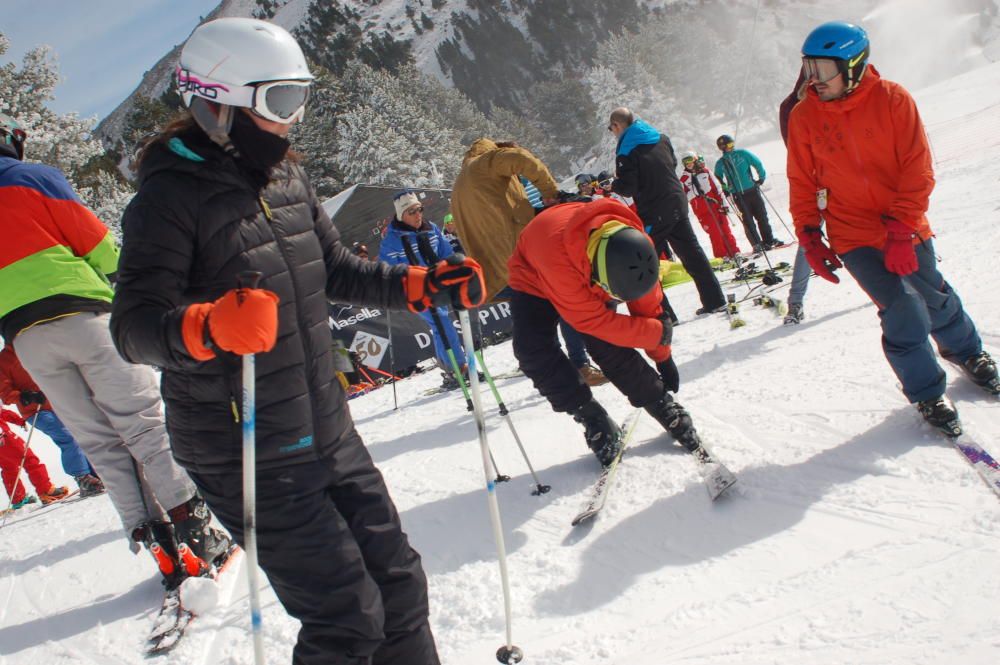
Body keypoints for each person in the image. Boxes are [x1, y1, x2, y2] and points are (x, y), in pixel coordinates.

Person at [109, 18, 475, 664]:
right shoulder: (168, 197)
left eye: (299, 99)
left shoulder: (285, 176)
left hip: (324, 424)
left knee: (400, 584)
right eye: (278, 102)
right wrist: (206, 325)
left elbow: (336, 269)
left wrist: (420, 285)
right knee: (346, 617)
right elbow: (133, 326)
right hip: (245, 446)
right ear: (217, 104)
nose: (291, 121)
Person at [0, 112, 228, 588]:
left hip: (26, 339)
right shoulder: (34, 178)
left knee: (99, 441)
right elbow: (99, 245)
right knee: (142, 422)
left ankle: (160, 549)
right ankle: (198, 536)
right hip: (82, 316)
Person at [787, 20, 998, 433]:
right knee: (901, 307)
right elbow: (802, 182)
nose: (814, 80)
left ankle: (968, 351)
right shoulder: (804, 116)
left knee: (933, 297)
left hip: (903, 223)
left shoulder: (893, 100)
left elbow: (917, 170)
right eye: (808, 68)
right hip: (852, 233)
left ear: (853, 64)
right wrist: (810, 235)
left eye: (822, 69)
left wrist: (902, 228)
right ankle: (926, 391)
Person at [507, 197, 711, 466]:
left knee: (608, 340)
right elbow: (595, 323)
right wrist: (655, 334)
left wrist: (662, 356)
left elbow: (649, 309)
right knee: (532, 349)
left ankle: (658, 402)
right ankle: (591, 416)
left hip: (578, 257)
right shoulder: (560, 264)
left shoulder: (637, 248)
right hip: (536, 272)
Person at [451, 138, 609, 385]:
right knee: (564, 302)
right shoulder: (485, 162)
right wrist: (550, 193)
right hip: (522, 257)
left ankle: (557, 373)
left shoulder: (460, 185)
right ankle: (580, 365)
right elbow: (523, 159)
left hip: (499, 269)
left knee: (535, 322)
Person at [607, 107, 725, 315]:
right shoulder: (660, 137)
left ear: (617, 125)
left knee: (646, 261)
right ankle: (715, 300)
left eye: (611, 128)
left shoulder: (626, 150)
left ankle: (664, 315)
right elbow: (673, 162)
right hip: (676, 200)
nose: (612, 132)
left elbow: (628, 188)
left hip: (654, 209)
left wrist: (614, 185)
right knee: (692, 253)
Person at [379, 190, 470, 389]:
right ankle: (459, 368)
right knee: (442, 322)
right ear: (401, 215)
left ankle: (452, 368)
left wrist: (456, 267)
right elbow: (386, 271)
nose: (418, 214)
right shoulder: (392, 240)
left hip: (438, 285)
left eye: (419, 209)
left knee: (443, 324)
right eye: (411, 211)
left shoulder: (432, 229)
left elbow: (446, 253)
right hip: (416, 291)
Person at [0, 345, 105, 497]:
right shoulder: (4, 360)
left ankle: (95, 474)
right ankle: (83, 478)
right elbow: (5, 393)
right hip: (35, 411)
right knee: (67, 437)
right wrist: (26, 396)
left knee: (80, 434)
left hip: (58, 402)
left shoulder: (36, 347)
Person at [779, 68, 812, 325]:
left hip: (822, 180)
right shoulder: (792, 108)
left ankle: (795, 303)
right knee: (808, 241)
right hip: (813, 182)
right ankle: (795, 302)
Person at [714, 134, 782, 251]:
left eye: (732, 143)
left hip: (752, 190)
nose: (732, 146)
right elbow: (718, 176)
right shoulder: (721, 163)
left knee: (762, 217)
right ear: (722, 147)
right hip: (738, 195)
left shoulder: (742, 153)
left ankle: (769, 240)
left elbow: (757, 163)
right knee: (748, 221)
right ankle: (756, 244)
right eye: (729, 144)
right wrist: (726, 188)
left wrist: (761, 178)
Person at [0, 407, 69, 509]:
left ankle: (18, 499)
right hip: (4, 438)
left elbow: (2, 412)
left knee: (9, 468)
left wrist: (19, 420)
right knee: (29, 460)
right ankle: (46, 490)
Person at [679, 151, 743, 260]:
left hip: (715, 205)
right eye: (686, 162)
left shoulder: (705, 172)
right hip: (702, 210)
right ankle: (721, 256)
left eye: (690, 160)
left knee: (725, 229)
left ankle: (734, 252)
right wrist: (695, 192)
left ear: (695, 160)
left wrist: (724, 204)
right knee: (715, 233)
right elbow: (685, 196)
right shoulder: (684, 178)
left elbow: (717, 188)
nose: (688, 164)